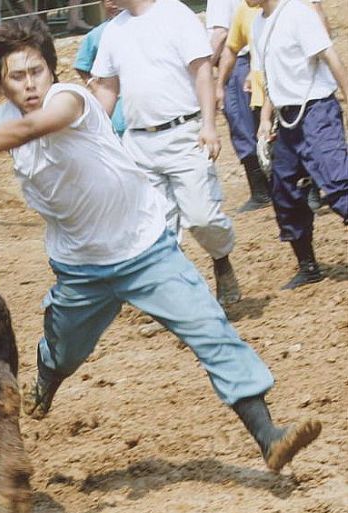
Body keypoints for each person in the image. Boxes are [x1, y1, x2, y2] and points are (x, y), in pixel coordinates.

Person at [0, 18, 321, 475]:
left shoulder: (70, 100)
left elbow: (29, 130)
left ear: (52, 70)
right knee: (64, 350)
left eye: (37, 71)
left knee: (210, 330)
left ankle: (268, 435)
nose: (31, 83)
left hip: (144, 249)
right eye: (17, 76)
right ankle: (47, 379)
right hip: (80, 267)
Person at [91, 0, 242, 307]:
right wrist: (92, 133)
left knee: (202, 217)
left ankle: (221, 257)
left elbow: (202, 72)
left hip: (184, 134)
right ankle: (186, 303)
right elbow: (107, 88)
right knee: (157, 232)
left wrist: (209, 125)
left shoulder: (175, 13)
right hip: (138, 143)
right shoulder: (113, 32)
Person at [250, 0, 348, 288]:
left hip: (317, 111)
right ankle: (308, 266)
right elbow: (271, 81)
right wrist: (265, 118)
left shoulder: (297, 13)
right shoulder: (258, 24)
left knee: (338, 182)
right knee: (285, 193)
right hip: (286, 118)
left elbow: (330, 57)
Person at [207, 0, 272, 213]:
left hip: (236, 62)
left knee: (241, 125)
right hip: (250, 58)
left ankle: (261, 191)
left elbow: (220, 34)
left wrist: (204, 66)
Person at [73, 0, 125, 137]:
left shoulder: (137, 27)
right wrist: (93, 85)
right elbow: (81, 64)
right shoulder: (96, 34)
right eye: (109, 1)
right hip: (115, 104)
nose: (114, 4)